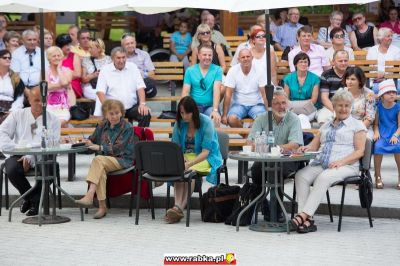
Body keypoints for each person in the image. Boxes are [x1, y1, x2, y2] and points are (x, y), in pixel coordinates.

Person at [292, 89, 367, 233]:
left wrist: (341, 162)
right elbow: (313, 146)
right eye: (340, 105)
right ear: (334, 106)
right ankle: (307, 221)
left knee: (323, 177)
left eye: (346, 105)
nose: (343, 109)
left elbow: (360, 151)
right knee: (300, 175)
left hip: (347, 166)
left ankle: (302, 216)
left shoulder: (357, 125)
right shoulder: (325, 125)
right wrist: (304, 148)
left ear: (350, 106)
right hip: (323, 163)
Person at [0, 86, 61, 216]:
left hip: (43, 156)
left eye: (43, 101)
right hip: (17, 153)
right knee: (11, 169)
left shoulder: (54, 120)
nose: (40, 104)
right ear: (29, 100)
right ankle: (34, 200)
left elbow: (52, 144)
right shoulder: (18, 114)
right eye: (37, 100)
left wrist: (31, 157)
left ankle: (31, 201)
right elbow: (2, 133)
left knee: (51, 167)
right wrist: (17, 149)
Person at [75, 99, 136, 219]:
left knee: (98, 160)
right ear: (106, 114)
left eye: (117, 113)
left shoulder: (127, 127)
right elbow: (93, 139)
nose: (114, 116)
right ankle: (102, 207)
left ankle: (90, 194)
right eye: (111, 114)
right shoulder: (103, 125)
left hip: (122, 160)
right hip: (104, 160)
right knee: (100, 168)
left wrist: (100, 147)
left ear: (121, 113)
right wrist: (87, 142)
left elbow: (119, 148)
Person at [167, 96, 222, 223]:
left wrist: (189, 163)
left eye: (187, 112)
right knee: (180, 171)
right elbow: (176, 147)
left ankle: (179, 208)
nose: (184, 116)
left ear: (194, 111)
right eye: (181, 113)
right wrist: (183, 158)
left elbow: (206, 151)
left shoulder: (206, 122)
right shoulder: (179, 123)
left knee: (189, 172)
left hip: (208, 156)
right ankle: (177, 207)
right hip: (187, 156)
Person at [247, 88, 303, 186]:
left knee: (276, 169)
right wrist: (257, 145)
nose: (281, 106)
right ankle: (259, 200)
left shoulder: (294, 119)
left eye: (283, 103)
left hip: (288, 160)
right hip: (265, 159)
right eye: (277, 103)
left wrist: (273, 149)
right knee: (256, 169)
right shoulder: (261, 119)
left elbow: (294, 145)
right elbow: (250, 142)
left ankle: (276, 201)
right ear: (269, 105)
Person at [94, 47, 151, 127]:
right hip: (114, 108)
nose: (121, 60)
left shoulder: (133, 67)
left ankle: (139, 138)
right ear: (112, 58)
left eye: (123, 57)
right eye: (118, 58)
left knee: (145, 114)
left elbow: (140, 87)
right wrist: (108, 108)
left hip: (131, 107)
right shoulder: (105, 70)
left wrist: (142, 104)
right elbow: (100, 92)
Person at [222, 48, 268, 128]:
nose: (246, 59)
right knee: (231, 119)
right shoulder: (233, 70)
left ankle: (250, 134)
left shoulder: (260, 70)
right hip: (238, 105)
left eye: (248, 56)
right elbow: (228, 94)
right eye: (243, 57)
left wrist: (269, 113)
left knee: (262, 119)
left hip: (257, 104)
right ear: (238, 59)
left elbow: (264, 94)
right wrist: (224, 115)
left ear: (252, 58)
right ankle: (248, 136)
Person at [182, 44, 222, 127]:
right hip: (194, 106)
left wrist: (215, 110)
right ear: (199, 56)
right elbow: (185, 91)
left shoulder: (217, 69)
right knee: (188, 121)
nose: (207, 57)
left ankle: (213, 140)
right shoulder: (190, 70)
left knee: (215, 119)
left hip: (209, 106)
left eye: (210, 55)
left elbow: (216, 90)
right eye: (204, 55)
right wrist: (183, 108)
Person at [373, 79, 400, 190]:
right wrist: (376, 132)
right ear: (382, 96)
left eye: (393, 92)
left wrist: (395, 135)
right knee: (378, 146)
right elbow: (375, 124)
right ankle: (377, 175)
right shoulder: (378, 107)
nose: (392, 94)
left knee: (398, 146)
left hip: (395, 132)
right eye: (388, 93)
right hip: (382, 133)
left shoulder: (398, 107)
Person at [284, 53, 320, 128]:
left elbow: (314, 100)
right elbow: (286, 98)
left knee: (301, 118)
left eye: (305, 62)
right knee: (294, 118)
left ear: (308, 64)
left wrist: (299, 106)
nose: (303, 64)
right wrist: (294, 107)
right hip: (292, 109)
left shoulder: (315, 78)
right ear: (295, 64)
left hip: (309, 109)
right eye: (301, 62)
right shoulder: (288, 78)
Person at [339, 66, 376, 138]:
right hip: (344, 126)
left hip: (363, 127)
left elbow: (370, 117)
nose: (349, 82)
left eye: (353, 79)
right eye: (347, 79)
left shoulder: (369, 94)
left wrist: (356, 130)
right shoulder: (341, 92)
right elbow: (338, 114)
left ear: (360, 81)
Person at [317, 50, 350, 124]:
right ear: (333, 61)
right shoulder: (326, 75)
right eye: (340, 61)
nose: (343, 63)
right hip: (331, 106)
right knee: (323, 118)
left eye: (345, 60)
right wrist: (336, 111)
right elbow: (324, 98)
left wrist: (345, 109)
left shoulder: (352, 73)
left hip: (350, 106)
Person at [121, 33, 157, 98]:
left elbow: (152, 74)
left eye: (132, 43)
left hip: (145, 84)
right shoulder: (120, 56)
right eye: (127, 44)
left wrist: (140, 74)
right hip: (128, 84)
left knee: (149, 83)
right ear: (123, 45)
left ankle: (136, 92)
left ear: (135, 43)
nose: (130, 45)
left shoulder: (144, 54)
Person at [46, 46, 73, 127]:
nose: (57, 58)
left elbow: (65, 83)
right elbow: (47, 87)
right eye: (54, 56)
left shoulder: (67, 70)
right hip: (49, 106)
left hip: (63, 107)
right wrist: (62, 85)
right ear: (49, 58)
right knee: (50, 123)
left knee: (59, 123)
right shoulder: (45, 71)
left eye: (58, 56)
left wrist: (58, 69)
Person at [0, 49, 25, 124]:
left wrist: (12, 111)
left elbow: (20, 98)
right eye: (4, 58)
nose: (7, 59)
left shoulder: (16, 78)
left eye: (9, 58)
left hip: (10, 108)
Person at [55, 34, 83, 98]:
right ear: (60, 46)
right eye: (66, 45)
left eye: (70, 44)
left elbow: (77, 74)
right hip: (58, 84)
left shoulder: (74, 56)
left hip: (72, 85)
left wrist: (62, 78)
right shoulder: (55, 56)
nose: (69, 47)